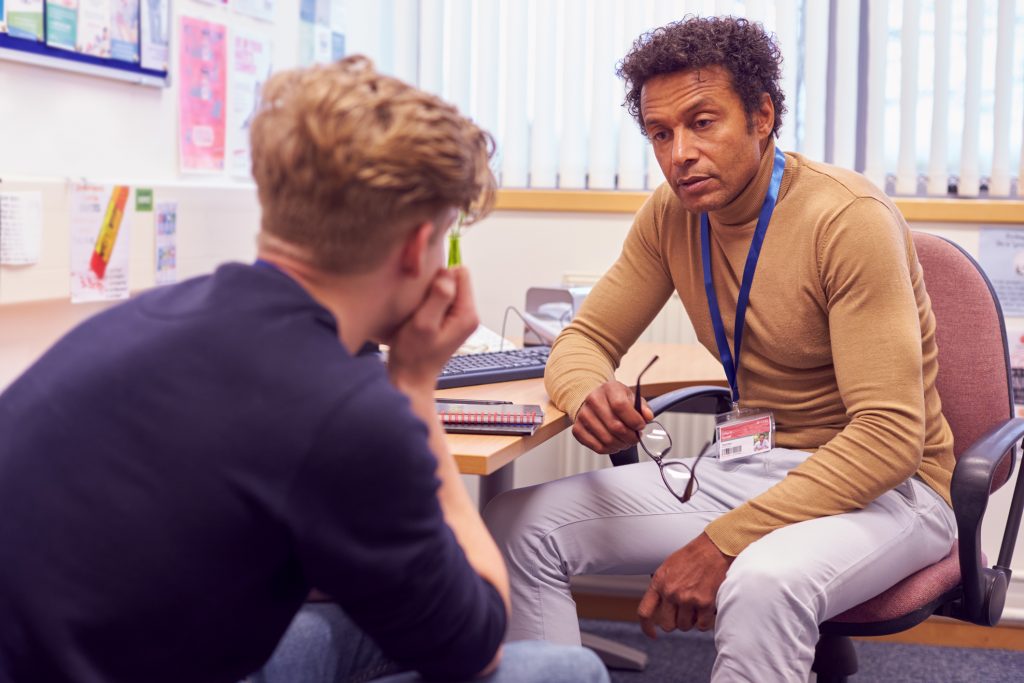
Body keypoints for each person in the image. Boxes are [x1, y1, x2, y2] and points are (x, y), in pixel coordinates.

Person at [0, 56, 607, 683]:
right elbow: (472, 642)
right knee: (563, 670)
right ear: (414, 247)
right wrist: (416, 387)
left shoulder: (152, 316)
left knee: (358, 622)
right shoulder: (348, 415)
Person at [484, 16, 957, 682]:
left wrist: (719, 544)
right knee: (517, 522)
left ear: (763, 115)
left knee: (760, 581)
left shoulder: (847, 219)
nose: (679, 153)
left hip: (889, 490)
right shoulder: (672, 214)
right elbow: (584, 338)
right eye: (660, 133)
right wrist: (588, 388)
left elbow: (888, 437)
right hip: (763, 460)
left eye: (702, 123)